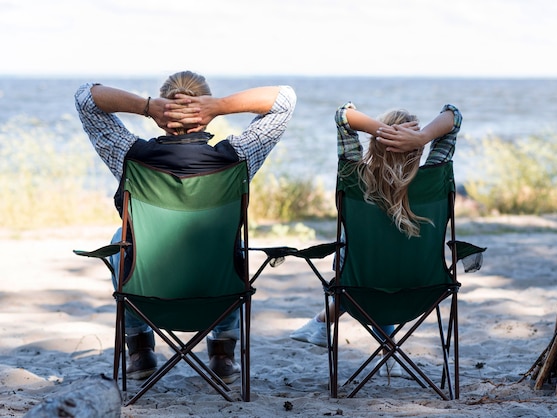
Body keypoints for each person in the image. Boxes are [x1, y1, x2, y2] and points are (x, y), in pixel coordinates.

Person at [75, 71, 296, 384]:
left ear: (162, 116)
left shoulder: (131, 158)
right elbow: (285, 99)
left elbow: (85, 97)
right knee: (234, 244)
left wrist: (147, 106)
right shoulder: (238, 158)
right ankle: (222, 354)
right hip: (216, 299)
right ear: (204, 115)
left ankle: (140, 351)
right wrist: (218, 105)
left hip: (147, 297)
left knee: (121, 238)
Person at [290, 101, 462, 377]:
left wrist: (383, 131)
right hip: (422, 290)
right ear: (418, 152)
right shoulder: (433, 177)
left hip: (360, 291)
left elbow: (342, 115)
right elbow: (454, 115)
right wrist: (421, 136)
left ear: (373, 145)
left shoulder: (355, 177)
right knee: (388, 262)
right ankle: (382, 347)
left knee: (356, 261)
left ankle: (322, 322)